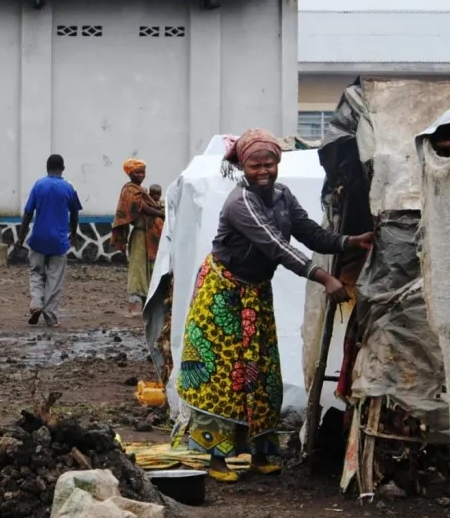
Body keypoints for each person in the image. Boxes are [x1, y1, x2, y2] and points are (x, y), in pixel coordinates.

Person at [174, 129, 373, 482]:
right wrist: (325, 279)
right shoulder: (241, 203)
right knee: (223, 374)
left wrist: (349, 241)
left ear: (277, 163)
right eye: (255, 165)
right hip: (223, 294)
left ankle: (257, 453)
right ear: (243, 166)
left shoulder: (282, 196)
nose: (263, 170)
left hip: (255, 293)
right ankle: (216, 459)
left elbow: (310, 233)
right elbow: (276, 247)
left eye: (269, 163)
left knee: (262, 373)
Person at [21, 154, 82, 328]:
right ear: (62, 168)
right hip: (59, 241)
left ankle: (36, 304)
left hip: (38, 239)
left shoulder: (39, 185)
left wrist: (20, 236)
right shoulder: (68, 188)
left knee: (36, 273)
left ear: (47, 168)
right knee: (55, 279)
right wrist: (74, 232)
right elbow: (75, 212)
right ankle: (50, 316)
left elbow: (28, 212)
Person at [111, 159, 166, 318]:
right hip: (140, 236)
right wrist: (159, 213)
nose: (141, 175)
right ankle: (135, 306)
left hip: (151, 236)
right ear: (130, 173)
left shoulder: (142, 191)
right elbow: (140, 207)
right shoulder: (130, 191)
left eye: (143, 172)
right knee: (138, 270)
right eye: (137, 172)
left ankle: (148, 304)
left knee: (150, 269)